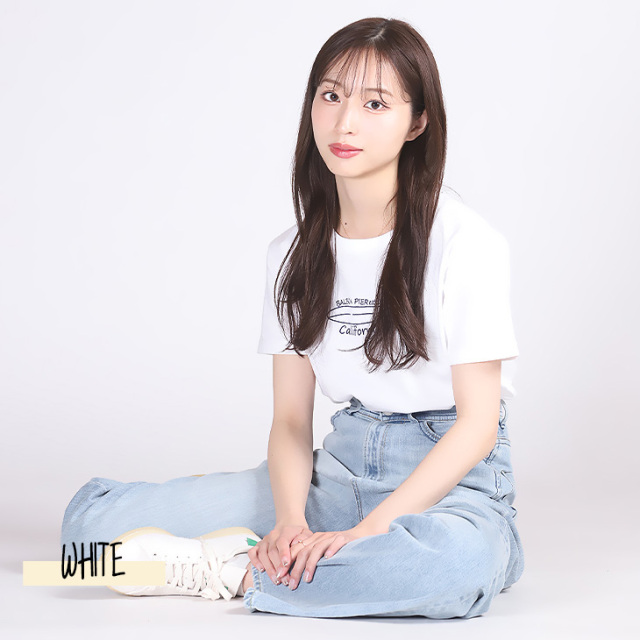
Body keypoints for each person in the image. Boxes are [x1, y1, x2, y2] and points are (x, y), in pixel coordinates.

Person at [60, 16, 524, 619]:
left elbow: (477, 427)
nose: (345, 122)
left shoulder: (466, 242)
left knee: (450, 567)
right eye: (330, 96)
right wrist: (289, 521)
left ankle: (235, 572)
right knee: (88, 538)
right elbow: (289, 420)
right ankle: (304, 565)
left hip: (453, 487)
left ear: (417, 122)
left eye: (375, 103)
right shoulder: (293, 254)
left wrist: (368, 532)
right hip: (338, 473)